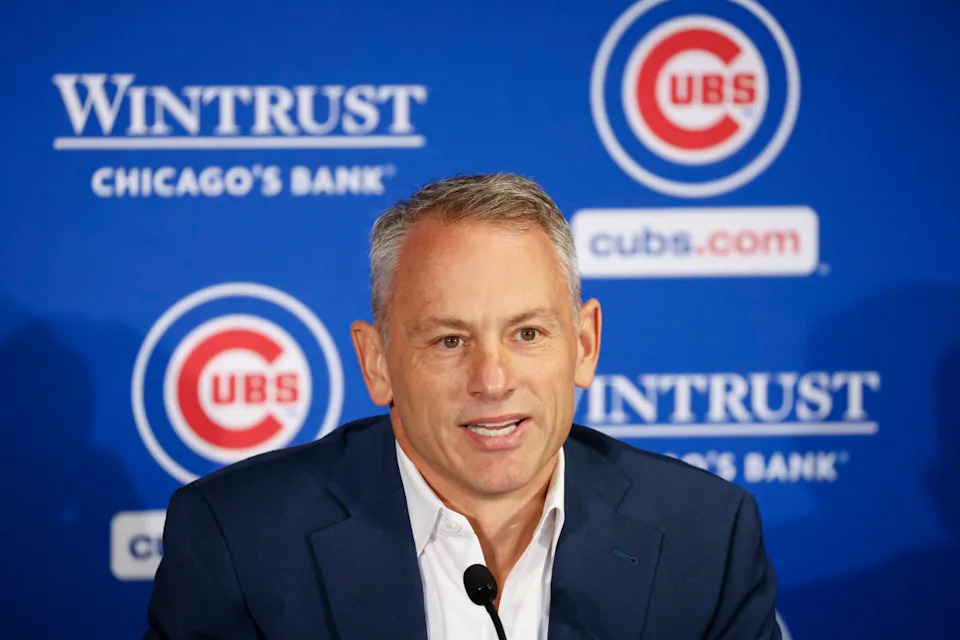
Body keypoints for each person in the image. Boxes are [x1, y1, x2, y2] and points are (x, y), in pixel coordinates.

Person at [145, 173, 781, 639]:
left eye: (527, 333)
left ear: (584, 345)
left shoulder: (706, 537)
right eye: (450, 341)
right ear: (377, 362)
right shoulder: (239, 538)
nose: (492, 380)